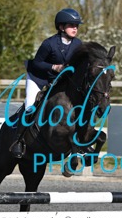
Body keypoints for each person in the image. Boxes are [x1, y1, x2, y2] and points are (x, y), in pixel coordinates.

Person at [9, 8, 84, 158]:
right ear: (61, 27)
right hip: (39, 77)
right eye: (71, 25)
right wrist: (54, 67)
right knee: (30, 105)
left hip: (59, 80)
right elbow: (37, 63)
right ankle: (19, 141)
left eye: (76, 25)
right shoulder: (49, 44)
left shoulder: (78, 44)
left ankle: (81, 142)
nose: (75, 28)